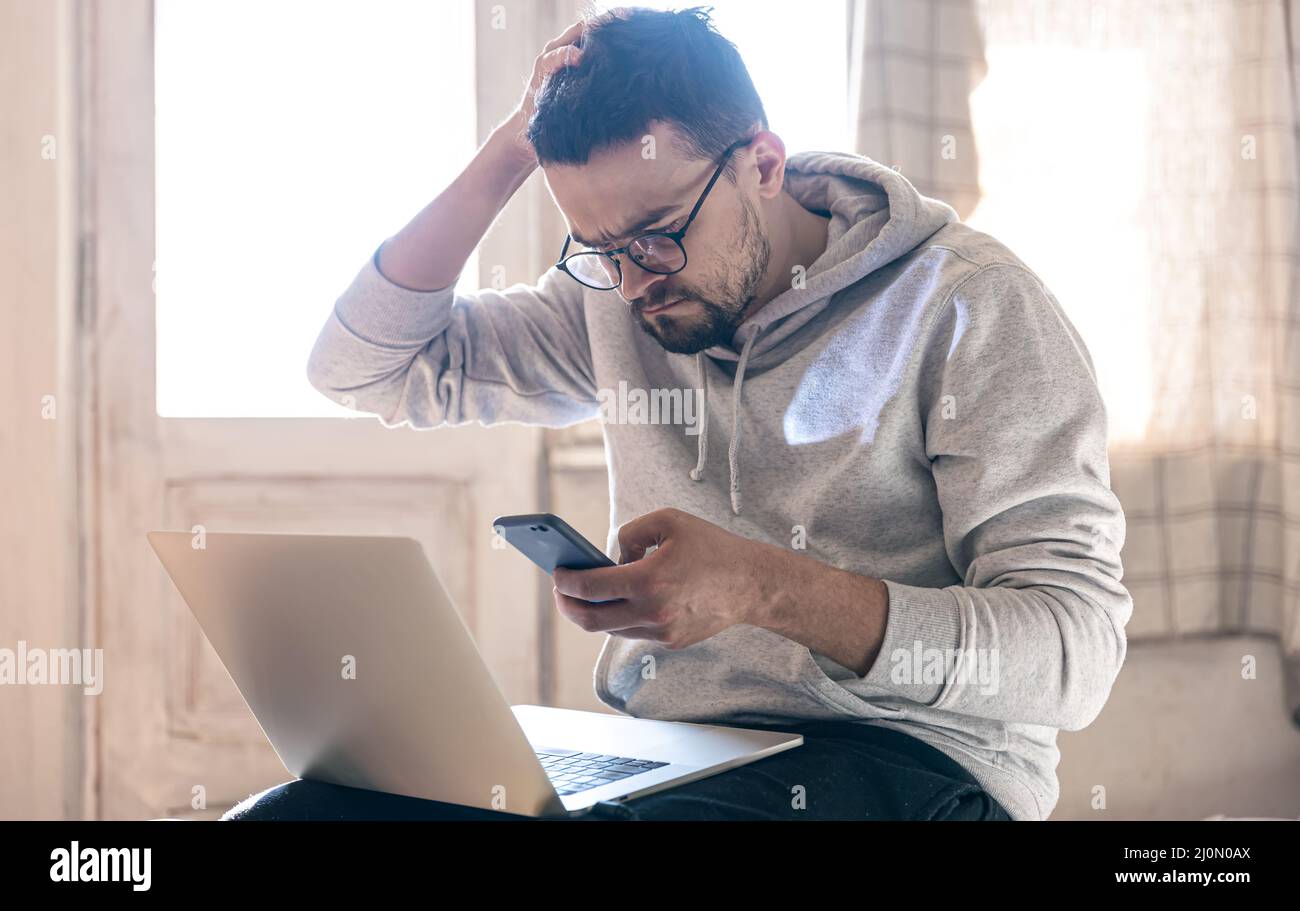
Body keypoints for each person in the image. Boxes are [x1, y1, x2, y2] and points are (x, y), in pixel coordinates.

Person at [226, 5, 1131, 822]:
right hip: (670, 753)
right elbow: (361, 368)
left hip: (915, 761)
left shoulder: (972, 307)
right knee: (293, 818)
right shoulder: (624, 297)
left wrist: (766, 587)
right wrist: (509, 154)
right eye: (599, 248)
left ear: (764, 165)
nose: (634, 281)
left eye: (658, 235)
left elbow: (1074, 652)